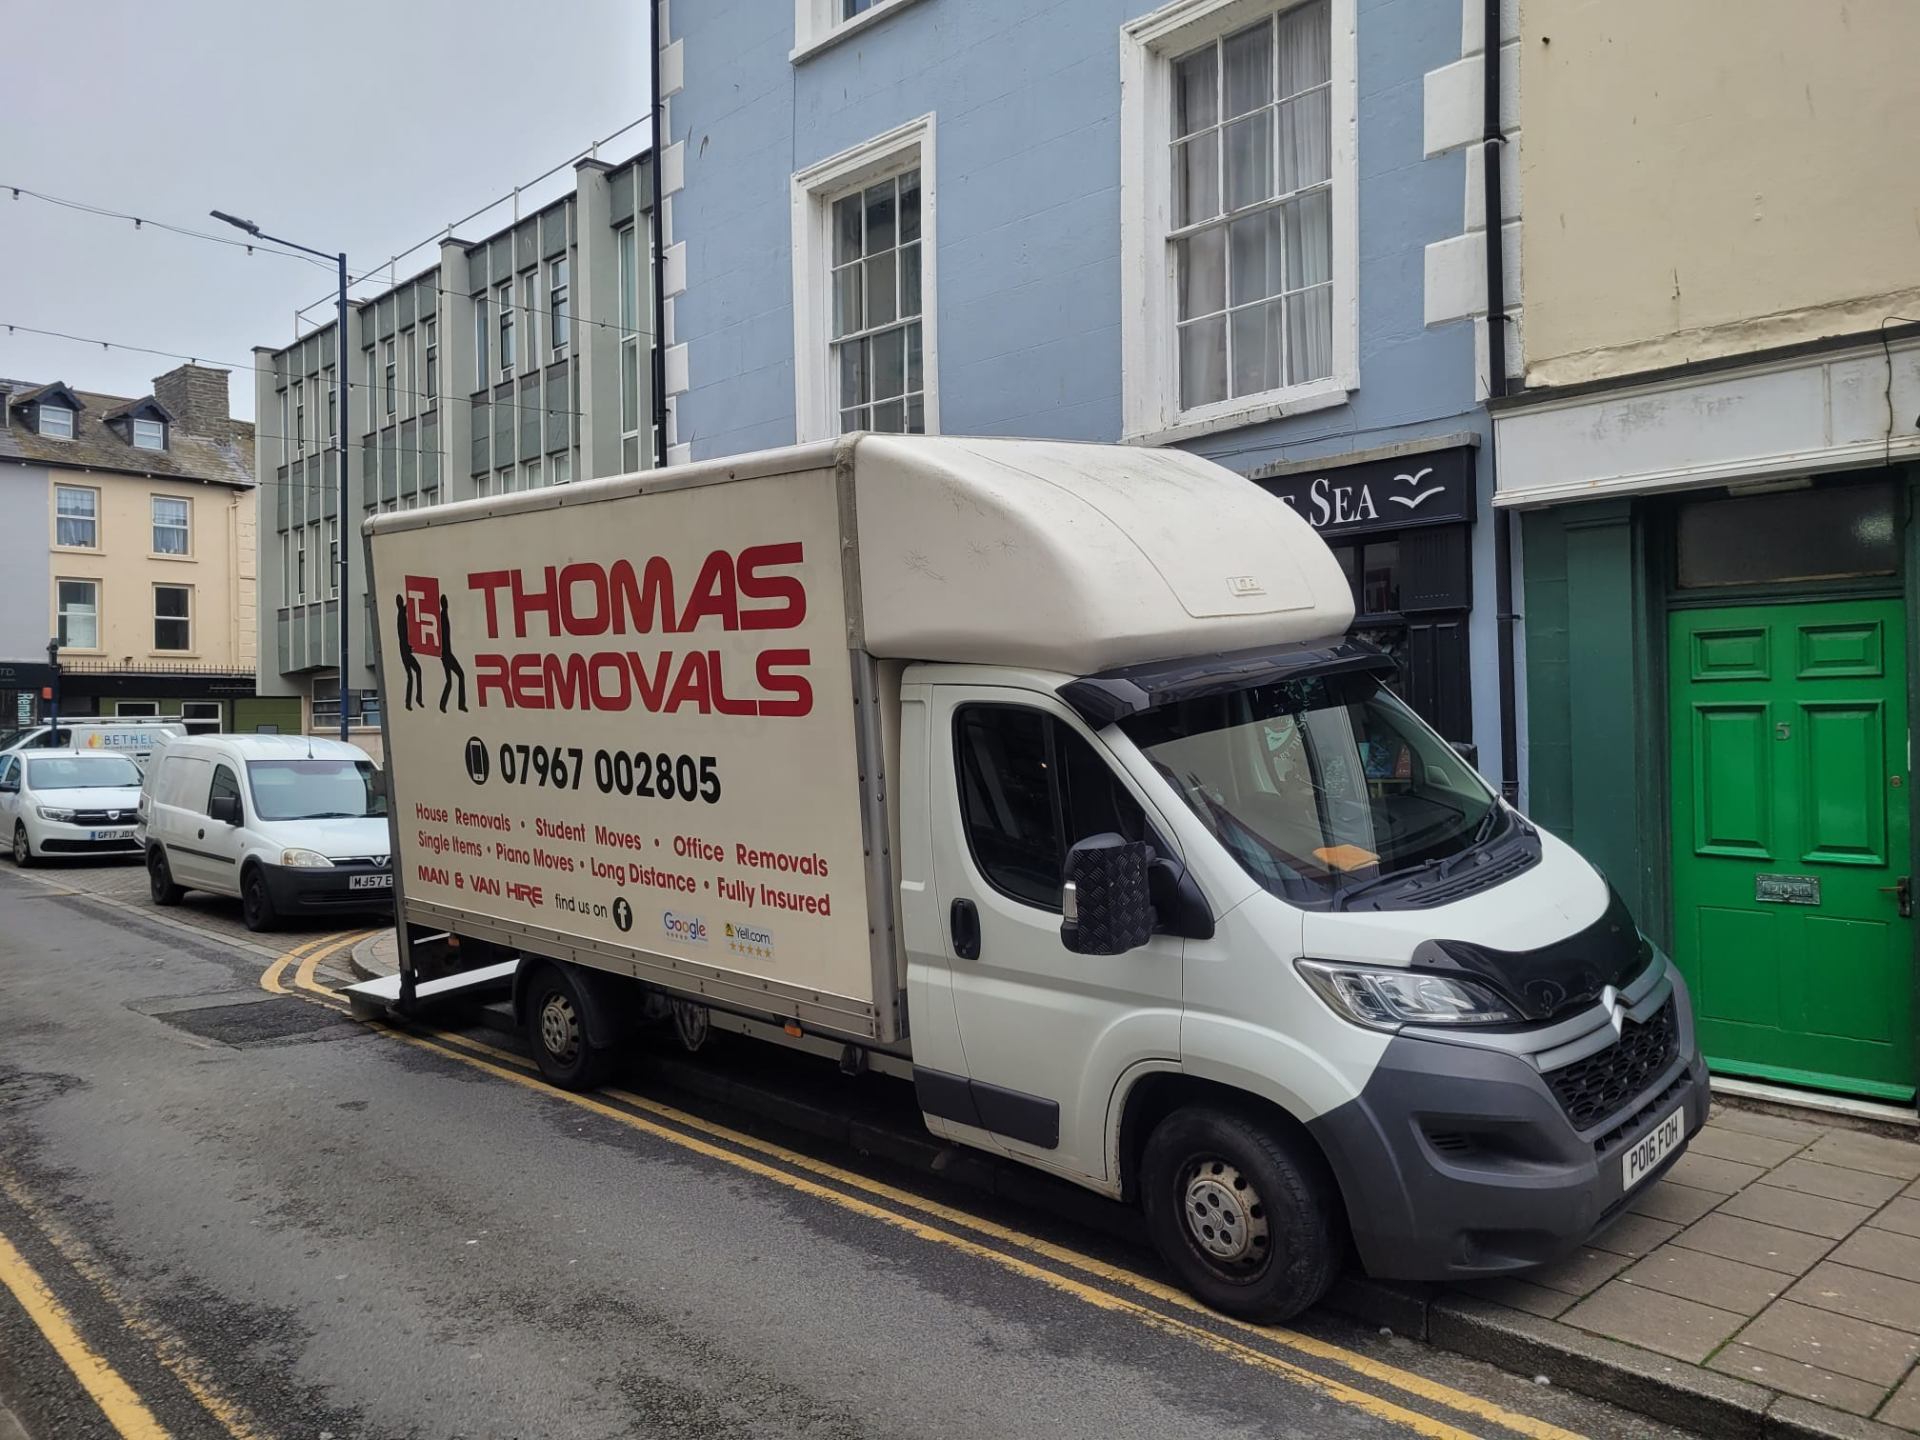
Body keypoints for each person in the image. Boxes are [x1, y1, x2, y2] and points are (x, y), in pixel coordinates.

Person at [437, 592, 468, 714]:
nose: (446, 604)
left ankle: (444, 704)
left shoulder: (443, 615)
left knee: (451, 680)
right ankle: (457, 704)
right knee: (459, 675)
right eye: (445, 602)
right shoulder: (442, 616)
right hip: (446, 654)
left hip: (445, 653)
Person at [395, 594, 423, 711]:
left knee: (413, 674)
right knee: (415, 673)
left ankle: (412, 700)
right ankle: (414, 699)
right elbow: (403, 636)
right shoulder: (401, 615)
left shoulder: (401, 613)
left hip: (404, 650)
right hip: (405, 651)